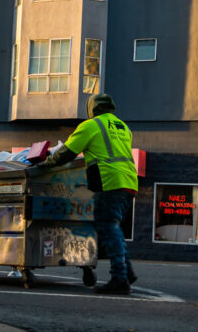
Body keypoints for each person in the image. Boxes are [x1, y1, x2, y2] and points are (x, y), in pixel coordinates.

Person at [39, 93, 138, 294]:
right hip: (129, 182)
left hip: (109, 182)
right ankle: (126, 272)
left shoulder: (91, 126)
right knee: (115, 227)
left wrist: (46, 163)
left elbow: (66, 153)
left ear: (91, 109)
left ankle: (120, 278)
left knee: (109, 227)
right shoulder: (123, 127)